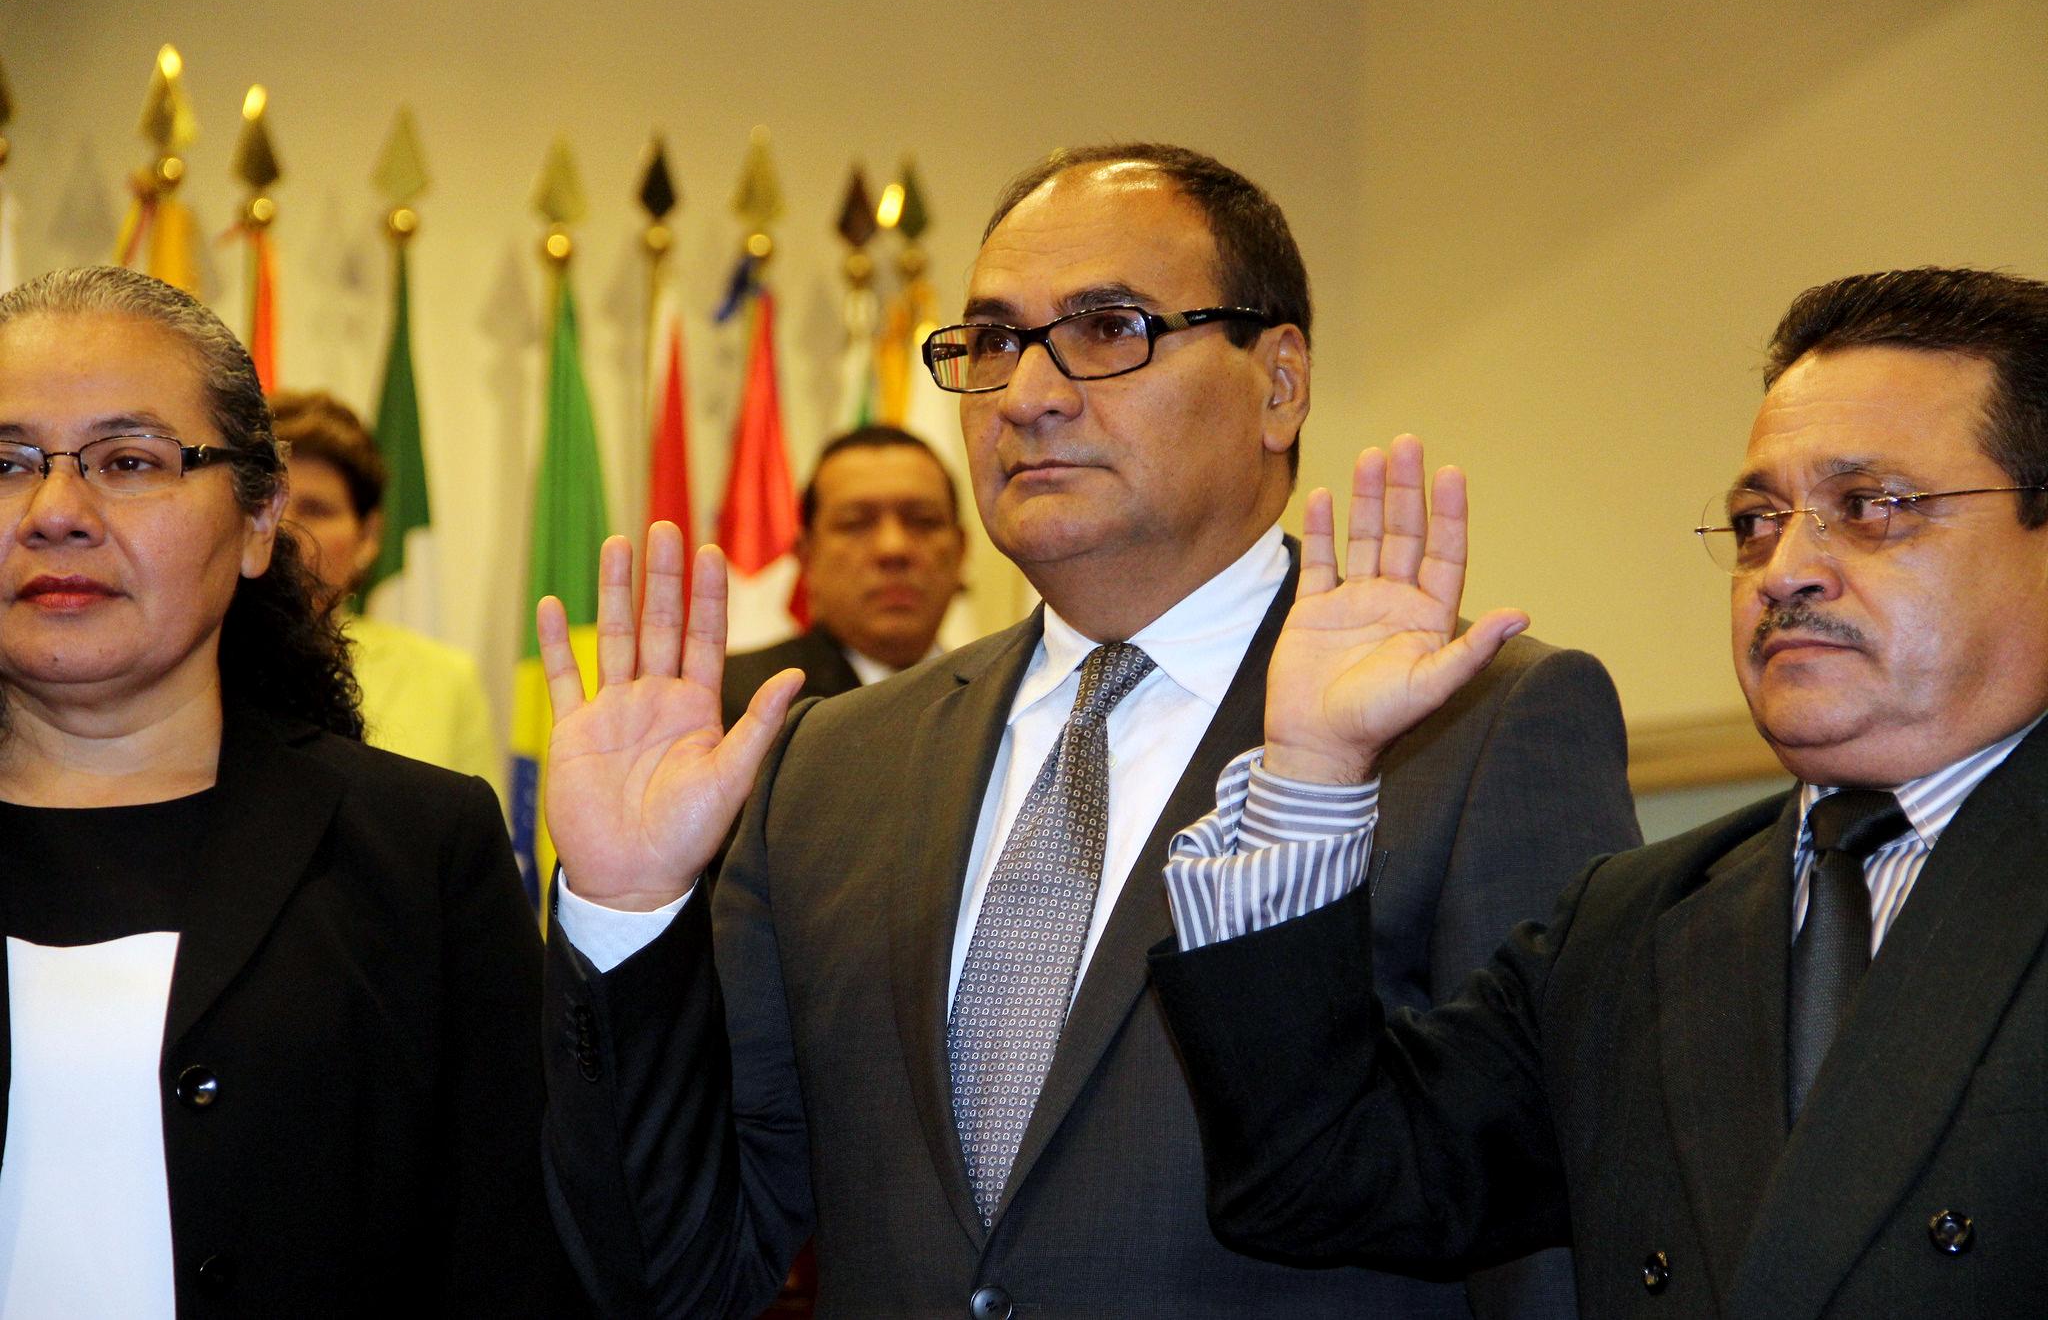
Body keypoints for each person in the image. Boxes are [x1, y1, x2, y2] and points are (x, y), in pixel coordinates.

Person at [537, 144, 1640, 1318]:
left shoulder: (1476, 723)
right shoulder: (829, 766)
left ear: (1280, 382)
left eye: (1108, 328)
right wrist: (623, 912)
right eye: (994, 342)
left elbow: (1556, 1231)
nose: (1028, 395)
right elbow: (668, 1272)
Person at [1148, 267, 2048, 1318]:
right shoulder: (1630, 927)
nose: (1784, 568)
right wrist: (1312, 764)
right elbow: (1319, 1184)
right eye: (1756, 519)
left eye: (1873, 507)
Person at [0, 267, 573, 1314]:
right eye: (6, 462)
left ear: (261, 520)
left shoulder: (414, 847)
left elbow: (512, 1257)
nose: (54, 511)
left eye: (128, 461)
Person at [269, 389, 501, 796]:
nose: (284, 530)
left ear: (369, 535)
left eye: (316, 510)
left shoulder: (446, 681)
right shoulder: (187, 670)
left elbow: (473, 853)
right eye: (268, 504)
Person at [720, 423, 966, 730]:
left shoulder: (1005, 697)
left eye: (923, 521)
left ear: (961, 551)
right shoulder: (737, 702)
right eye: (855, 524)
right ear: (807, 556)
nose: (893, 548)